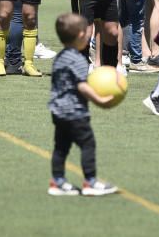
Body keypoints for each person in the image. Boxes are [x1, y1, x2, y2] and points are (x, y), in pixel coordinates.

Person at [47, 12, 117, 197]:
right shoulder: (78, 59)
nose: (88, 35)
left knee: (61, 147)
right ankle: (90, 182)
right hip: (75, 112)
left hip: (58, 111)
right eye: (87, 33)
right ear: (80, 36)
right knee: (87, 144)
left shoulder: (60, 57)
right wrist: (100, 100)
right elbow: (82, 86)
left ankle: (57, 182)